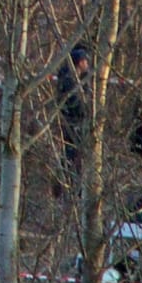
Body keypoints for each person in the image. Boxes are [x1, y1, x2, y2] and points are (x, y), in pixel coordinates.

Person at [56, 45, 92, 185]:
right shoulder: (70, 80)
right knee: (72, 154)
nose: (87, 64)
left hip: (73, 123)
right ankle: (70, 182)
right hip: (73, 123)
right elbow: (72, 103)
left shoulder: (78, 78)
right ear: (79, 62)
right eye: (84, 61)